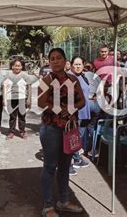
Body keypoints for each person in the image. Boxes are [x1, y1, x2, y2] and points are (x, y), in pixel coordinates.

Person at [38, 48, 85, 217]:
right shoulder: (45, 80)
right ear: (49, 62)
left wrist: (70, 109)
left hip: (69, 129)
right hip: (50, 129)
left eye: (59, 58)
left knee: (65, 166)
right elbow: (41, 102)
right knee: (50, 166)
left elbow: (82, 101)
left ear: (66, 61)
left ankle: (63, 201)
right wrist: (61, 110)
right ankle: (48, 206)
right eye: (52, 58)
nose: (56, 61)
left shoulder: (73, 79)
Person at [67, 56, 91, 176]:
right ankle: (67, 164)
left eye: (80, 64)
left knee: (78, 137)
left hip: (83, 112)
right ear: (71, 65)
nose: (77, 67)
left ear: (83, 65)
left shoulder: (82, 76)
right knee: (70, 138)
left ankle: (76, 159)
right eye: (75, 64)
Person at [4, 58, 34, 139]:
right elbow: (5, 87)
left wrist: (29, 99)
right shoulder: (8, 75)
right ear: (12, 66)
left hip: (22, 98)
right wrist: (4, 99)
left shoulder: (25, 75)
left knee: (22, 116)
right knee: (12, 117)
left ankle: (22, 131)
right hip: (11, 99)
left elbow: (29, 87)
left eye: (19, 66)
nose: (17, 67)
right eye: (15, 66)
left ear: (21, 67)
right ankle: (11, 132)